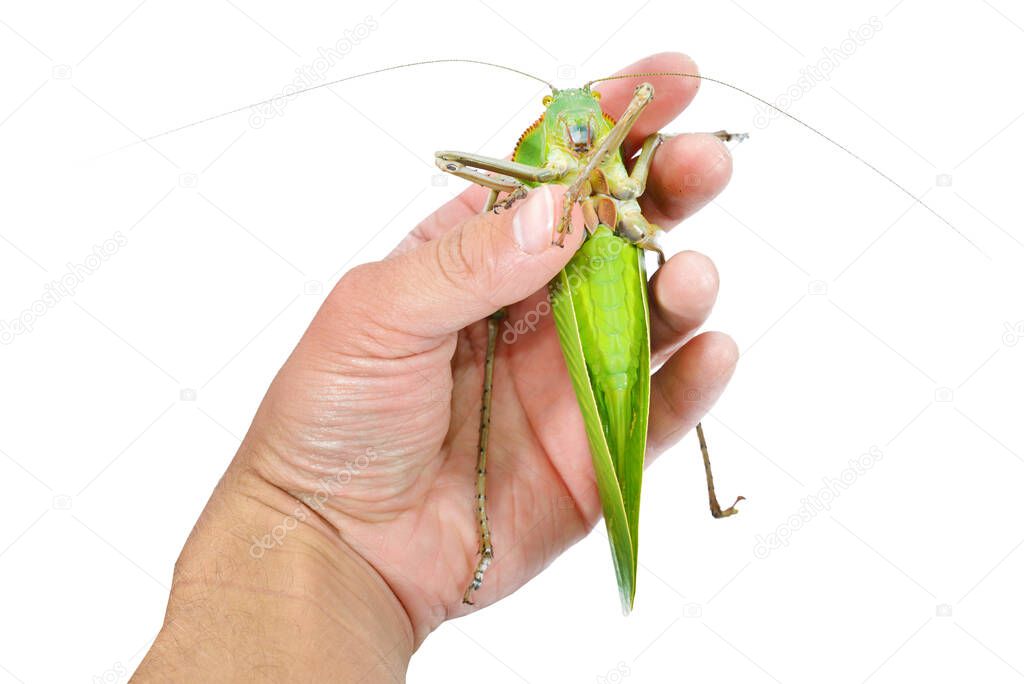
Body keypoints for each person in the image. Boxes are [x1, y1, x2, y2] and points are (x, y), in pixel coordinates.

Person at [133, 52, 738, 682]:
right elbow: (461, 165)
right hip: (572, 286)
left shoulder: (615, 141)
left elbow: (632, 183)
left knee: (677, 352)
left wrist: (641, 133)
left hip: (622, 252)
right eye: (567, 121)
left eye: (591, 120)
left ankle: (704, 498)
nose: (582, 129)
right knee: (649, 381)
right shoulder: (538, 157)